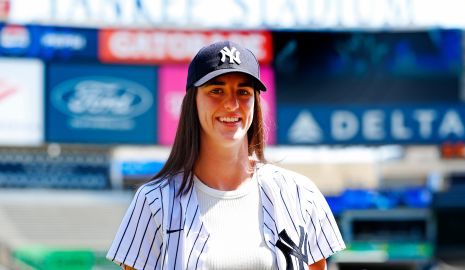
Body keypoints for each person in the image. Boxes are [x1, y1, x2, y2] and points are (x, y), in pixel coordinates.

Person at [106, 40, 345, 270]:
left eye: (243, 91)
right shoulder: (154, 201)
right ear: (193, 101)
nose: (231, 104)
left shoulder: (301, 194)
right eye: (217, 90)